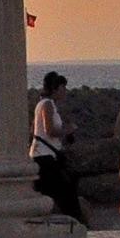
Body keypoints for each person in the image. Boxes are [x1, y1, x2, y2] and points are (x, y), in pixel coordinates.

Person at [30, 70, 85, 225]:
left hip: (45, 155)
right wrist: (69, 129)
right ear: (57, 88)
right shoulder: (47, 104)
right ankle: (77, 224)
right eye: (63, 88)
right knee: (66, 191)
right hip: (44, 157)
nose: (65, 92)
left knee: (53, 192)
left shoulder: (45, 104)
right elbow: (50, 130)